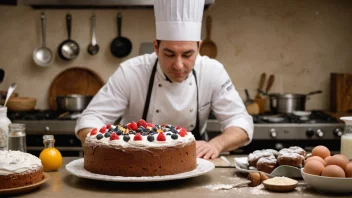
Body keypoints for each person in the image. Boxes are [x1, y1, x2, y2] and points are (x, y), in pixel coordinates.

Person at [75, 0, 253, 160]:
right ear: (156, 47)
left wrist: (216, 145)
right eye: (169, 54)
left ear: (199, 46)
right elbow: (90, 119)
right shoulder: (130, 72)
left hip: (196, 162)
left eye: (187, 54)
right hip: (135, 161)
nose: (179, 65)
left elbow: (240, 121)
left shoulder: (213, 71)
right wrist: (113, 147)